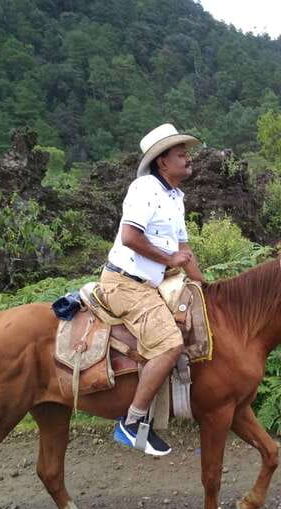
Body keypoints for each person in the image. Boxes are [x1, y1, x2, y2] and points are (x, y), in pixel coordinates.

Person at [100, 123, 205, 456]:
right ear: (162, 161)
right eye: (181, 154)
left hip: (152, 284)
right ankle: (131, 423)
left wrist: (205, 287)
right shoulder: (145, 188)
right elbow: (130, 236)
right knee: (170, 344)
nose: (188, 158)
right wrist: (170, 258)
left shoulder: (175, 197)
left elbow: (185, 251)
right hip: (126, 284)